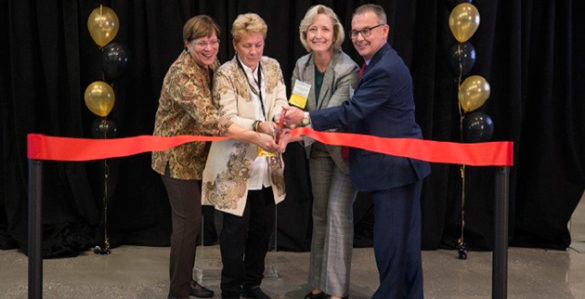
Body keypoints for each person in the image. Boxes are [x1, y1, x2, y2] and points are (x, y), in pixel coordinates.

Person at [283, 4, 431, 299]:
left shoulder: (379, 68)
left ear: (384, 31)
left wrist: (304, 121)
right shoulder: (370, 63)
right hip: (375, 165)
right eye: (357, 32)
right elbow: (299, 102)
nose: (361, 37)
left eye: (367, 31)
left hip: (395, 167)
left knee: (393, 244)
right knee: (397, 244)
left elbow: (351, 111)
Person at [152, 15, 279, 299]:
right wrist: (257, 129)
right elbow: (211, 119)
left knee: (196, 224)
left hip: (201, 157)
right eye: (201, 43)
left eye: (213, 41)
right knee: (189, 224)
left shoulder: (213, 64)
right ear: (187, 44)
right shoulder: (182, 75)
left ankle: (185, 280)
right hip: (177, 158)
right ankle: (179, 292)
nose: (209, 48)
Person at [201, 13, 288, 299]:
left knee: (261, 232)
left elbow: (280, 103)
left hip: (266, 165)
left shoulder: (273, 67)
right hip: (233, 168)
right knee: (232, 235)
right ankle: (231, 289)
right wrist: (258, 126)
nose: (254, 51)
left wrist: (279, 123)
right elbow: (225, 116)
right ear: (236, 45)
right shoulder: (225, 73)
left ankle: (252, 284)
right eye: (247, 46)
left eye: (258, 45)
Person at [291, 5, 359, 299]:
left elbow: (335, 114)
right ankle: (317, 286)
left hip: (344, 154)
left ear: (335, 34)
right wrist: (291, 120)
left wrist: (302, 120)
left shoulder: (349, 69)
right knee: (319, 215)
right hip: (317, 150)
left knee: (336, 213)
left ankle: (336, 291)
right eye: (313, 29)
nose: (318, 35)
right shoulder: (302, 66)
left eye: (324, 29)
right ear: (305, 34)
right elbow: (296, 105)